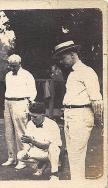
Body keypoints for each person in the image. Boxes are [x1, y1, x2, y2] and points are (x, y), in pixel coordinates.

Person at [52, 40, 103, 180]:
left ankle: (78, 183)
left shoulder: (86, 71)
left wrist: (99, 121)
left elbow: (96, 100)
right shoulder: (73, 73)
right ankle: (77, 182)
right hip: (70, 116)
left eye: (63, 58)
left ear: (73, 55)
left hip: (81, 115)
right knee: (73, 155)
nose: (61, 62)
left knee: (76, 154)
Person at [2, 54, 37, 169]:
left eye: (14, 66)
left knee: (20, 132)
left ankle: (22, 159)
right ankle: (11, 157)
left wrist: (29, 102)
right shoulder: (8, 75)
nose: (12, 68)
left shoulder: (27, 75)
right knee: (9, 131)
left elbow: (33, 91)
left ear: (19, 64)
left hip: (20, 103)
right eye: (10, 66)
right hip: (8, 103)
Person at [17, 103, 62, 180]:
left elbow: (48, 146)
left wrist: (33, 141)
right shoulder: (30, 124)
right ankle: (40, 166)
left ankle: (55, 174)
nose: (32, 119)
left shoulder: (52, 124)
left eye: (35, 117)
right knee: (20, 155)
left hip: (51, 151)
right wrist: (26, 151)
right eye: (30, 116)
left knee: (53, 148)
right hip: (38, 151)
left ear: (43, 115)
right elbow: (28, 143)